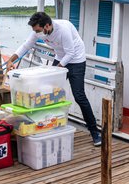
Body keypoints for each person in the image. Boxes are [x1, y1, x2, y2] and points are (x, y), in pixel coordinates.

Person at [6, 12, 102, 146]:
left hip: (76, 60)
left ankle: (95, 133)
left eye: (38, 30)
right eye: (35, 31)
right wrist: (11, 60)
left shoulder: (63, 29)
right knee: (48, 93)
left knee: (79, 96)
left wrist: (57, 69)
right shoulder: (38, 31)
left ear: (47, 25)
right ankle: (49, 127)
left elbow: (70, 53)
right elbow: (26, 46)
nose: (36, 33)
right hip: (60, 58)